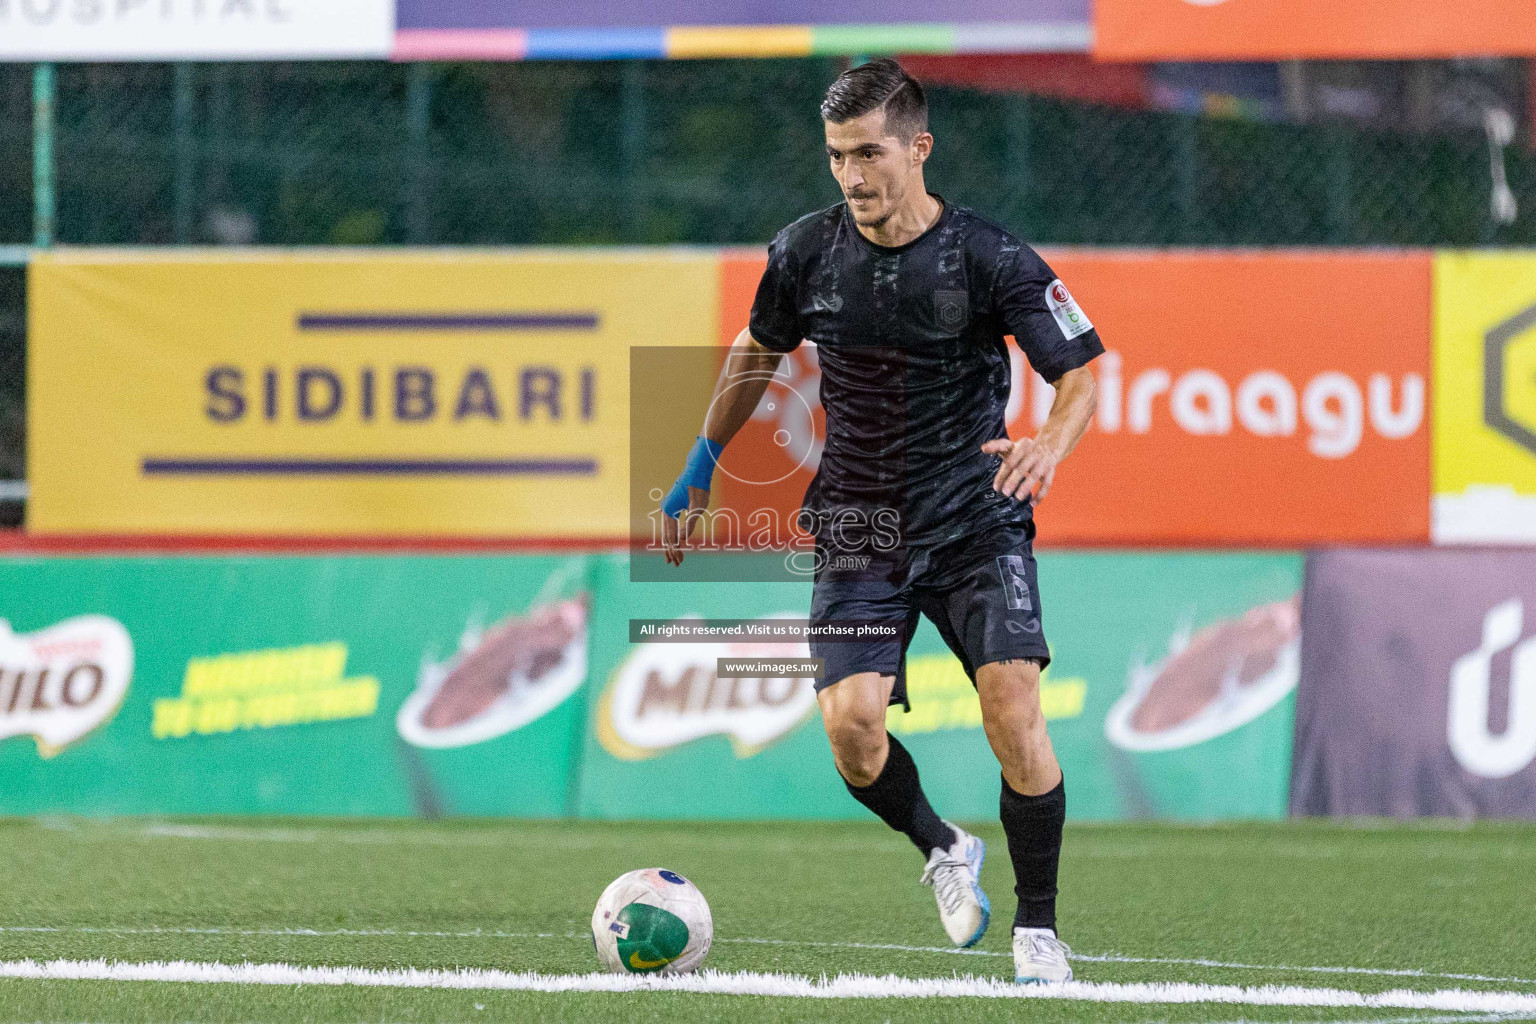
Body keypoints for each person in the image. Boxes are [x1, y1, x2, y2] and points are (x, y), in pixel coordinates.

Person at [660, 58, 1101, 984]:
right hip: (859, 527)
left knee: (1012, 707)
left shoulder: (989, 257)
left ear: (918, 148)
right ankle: (943, 846)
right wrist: (700, 462)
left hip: (975, 521)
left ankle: (1039, 929)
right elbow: (756, 349)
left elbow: (1081, 371)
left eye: (869, 153)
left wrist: (1052, 444)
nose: (852, 175)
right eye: (836, 156)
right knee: (853, 735)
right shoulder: (805, 252)